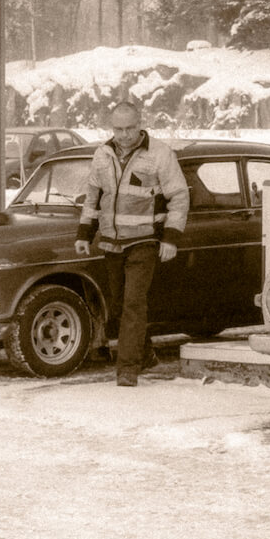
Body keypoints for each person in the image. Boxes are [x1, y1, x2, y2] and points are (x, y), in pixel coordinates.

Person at [74, 102, 189, 386]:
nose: (123, 135)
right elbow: (92, 197)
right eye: (118, 129)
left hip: (144, 241)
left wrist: (171, 238)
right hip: (111, 243)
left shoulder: (160, 154)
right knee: (118, 307)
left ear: (140, 125)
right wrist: (84, 234)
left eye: (129, 128)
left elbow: (179, 197)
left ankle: (127, 368)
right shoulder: (102, 154)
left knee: (133, 304)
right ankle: (146, 354)